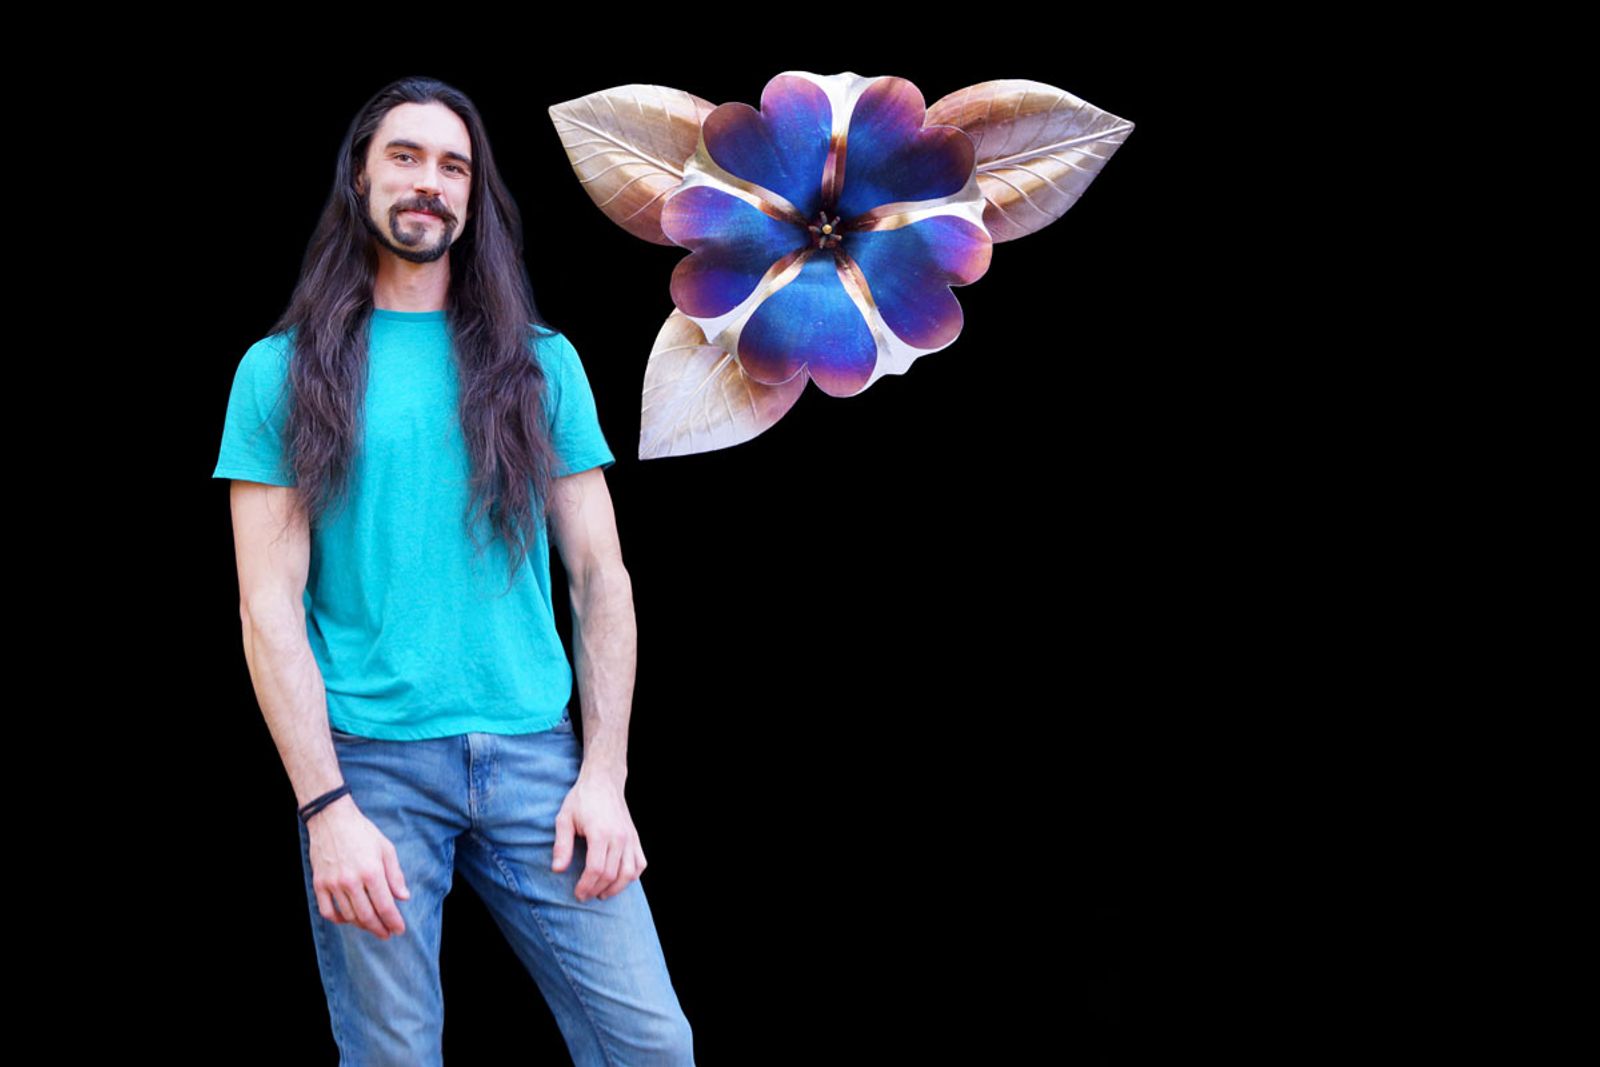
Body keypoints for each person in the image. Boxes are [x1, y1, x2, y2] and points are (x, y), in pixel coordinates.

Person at [211, 75, 695, 1065]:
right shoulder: (280, 371)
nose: (429, 182)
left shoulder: (541, 363)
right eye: (405, 156)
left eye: (453, 166)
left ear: (473, 197)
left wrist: (604, 776)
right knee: (394, 1057)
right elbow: (268, 607)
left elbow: (601, 577)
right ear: (358, 177)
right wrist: (325, 808)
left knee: (651, 1043)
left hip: (537, 761)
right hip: (372, 767)